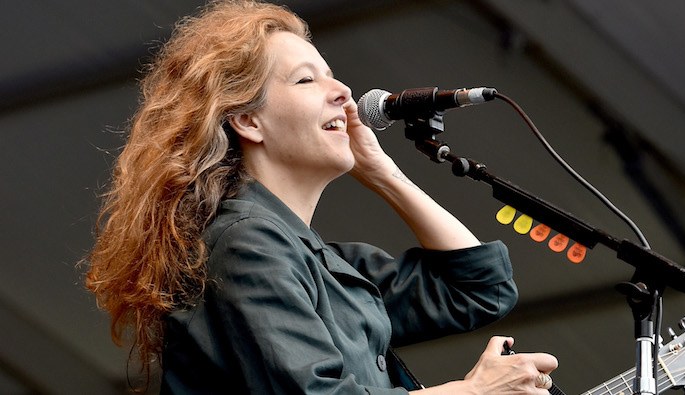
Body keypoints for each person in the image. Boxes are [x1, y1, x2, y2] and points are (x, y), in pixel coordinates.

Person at [84, 1, 558, 393]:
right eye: (307, 79)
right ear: (249, 121)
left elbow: (478, 290)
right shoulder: (245, 245)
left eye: (332, 75)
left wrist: (386, 175)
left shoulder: (321, 263)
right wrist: (474, 391)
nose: (343, 92)